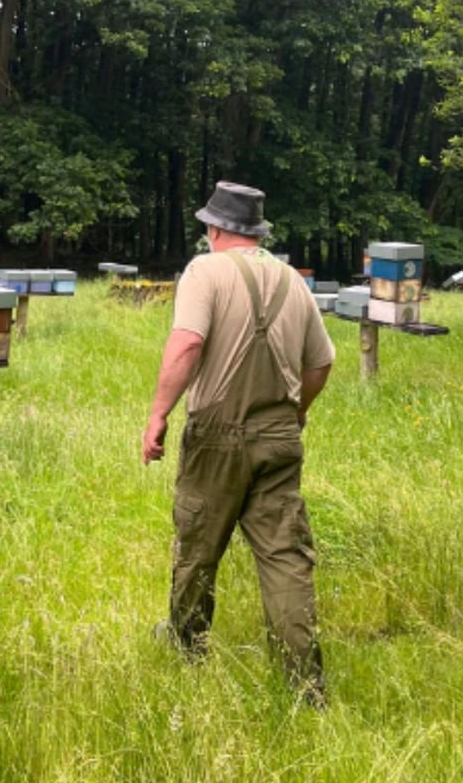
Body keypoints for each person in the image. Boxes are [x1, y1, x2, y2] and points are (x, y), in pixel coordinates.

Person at [141, 180, 335, 707]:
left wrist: (158, 414)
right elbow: (321, 362)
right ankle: (304, 685)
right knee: (285, 559)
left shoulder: (204, 271)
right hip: (279, 438)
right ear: (257, 232)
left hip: (216, 439)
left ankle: (187, 647)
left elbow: (186, 342)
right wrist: (296, 414)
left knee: (199, 547)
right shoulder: (293, 280)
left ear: (216, 229)